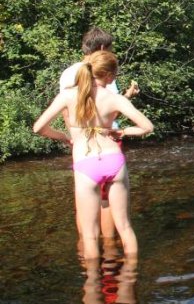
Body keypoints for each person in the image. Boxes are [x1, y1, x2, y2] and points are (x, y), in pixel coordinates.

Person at [33, 51, 154, 260]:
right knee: (125, 227)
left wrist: (64, 137)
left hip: (85, 163)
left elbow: (39, 128)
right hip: (114, 161)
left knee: (89, 236)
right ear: (109, 75)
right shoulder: (115, 99)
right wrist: (123, 131)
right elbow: (147, 127)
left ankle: (92, 279)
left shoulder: (68, 95)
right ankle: (130, 276)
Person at [60, 27, 140, 239]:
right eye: (111, 49)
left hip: (80, 144)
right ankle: (110, 248)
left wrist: (72, 138)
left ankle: (86, 247)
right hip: (106, 141)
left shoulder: (69, 73)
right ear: (103, 48)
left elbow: (68, 111)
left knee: (83, 198)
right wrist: (126, 101)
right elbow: (107, 112)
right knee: (106, 199)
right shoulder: (101, 70)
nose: (112, 53)